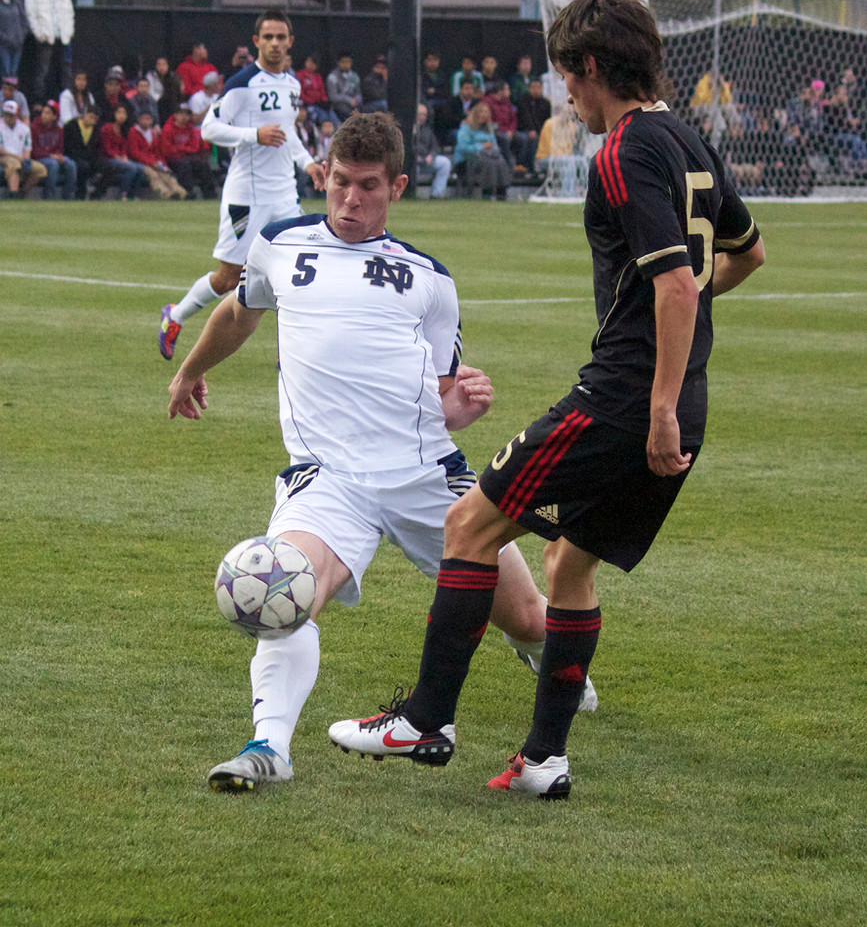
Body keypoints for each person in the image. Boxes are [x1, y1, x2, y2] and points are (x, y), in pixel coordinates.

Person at [329, 0, 766, 801]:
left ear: (592, 68)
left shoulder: (624, 148)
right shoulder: (686, 138)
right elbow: (746, 253)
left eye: (567, 76)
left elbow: (677, 287)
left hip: (625, 399)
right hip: (679, 396)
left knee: (468, 524)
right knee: (568, 567)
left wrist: (656, 398)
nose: (564, 94)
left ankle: (426, 719)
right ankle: (542, 760)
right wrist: (675, 361)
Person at [167, 112, 573, 792]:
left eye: (368, 187)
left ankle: (540, 656)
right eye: (339, 183)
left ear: (398, 187)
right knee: (284, 589)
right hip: (326, 478)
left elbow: (439, 396)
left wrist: (461, 406)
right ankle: (268, 746)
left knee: (531, 617)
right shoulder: (279, 245)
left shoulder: (428, 281)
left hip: (423, 474)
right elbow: (239, 311)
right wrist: (191, 370)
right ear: (322, 175)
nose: (350, 200)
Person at [158, 9, 324, 360]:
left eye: (281, 37)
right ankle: (175, 316)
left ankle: (293, 355)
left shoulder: (292, 84)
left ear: (290, 42)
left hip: (284, 194)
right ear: (257, 41)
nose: (275, 43)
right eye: (269, 37)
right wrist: (254, 135)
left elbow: (288, 132)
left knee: (297, 270)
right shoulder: (242, 84)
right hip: (246, 197)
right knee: (229, 277)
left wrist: (308, 163)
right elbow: (209, 129)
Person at [24, 0, 75, 102]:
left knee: (66, 70)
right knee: (43, 70)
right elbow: (32, 18)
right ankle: (39, 100)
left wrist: (68, 33)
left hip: (63, 38)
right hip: (46, 39)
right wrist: (40, 35)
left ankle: (67, 99)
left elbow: (69, 14)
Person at [453, 101, 510, 200]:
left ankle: (502, 194)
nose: (484, 114)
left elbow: (495, 146)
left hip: (486, 155)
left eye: (486, 112)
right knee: (488, 163)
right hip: (467, 160)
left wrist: (491, 149)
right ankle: (486, 194)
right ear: (475, 114)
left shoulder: (489, 129)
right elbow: (463, 148)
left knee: (501, 161)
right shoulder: (466, 128)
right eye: (481, 112)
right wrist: (481, 146)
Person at [159, 102, 216, 199]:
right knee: (184, 165)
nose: (184, 117)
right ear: (175, 115)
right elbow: (167, 149)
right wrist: (183, 151)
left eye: (187, 114)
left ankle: (209, 192)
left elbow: (194, 147)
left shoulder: (190, 129)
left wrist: (181, 149)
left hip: (187, 156)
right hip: (173, 158)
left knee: (202, 164)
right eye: (181, 114)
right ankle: (188, 192)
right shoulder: (168, 129)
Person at [127, 111, 187, 199]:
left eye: (148, 119)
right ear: (138, 120)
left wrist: (163, 165)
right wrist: (152, 163)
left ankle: (180, 192)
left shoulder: (153, 134)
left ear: (151, 121)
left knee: (166, 174)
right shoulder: (133, 132)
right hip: (142, 163)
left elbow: (158, 153)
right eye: (143, 119)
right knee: (153, 175)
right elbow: (135, 153)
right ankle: (165, 193)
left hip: (155, 162)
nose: (145, 121)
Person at [30, 99, 76, 199]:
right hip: (39, 158)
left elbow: (60, 148)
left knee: (71, 164)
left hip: (53, 156)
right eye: (43, 112)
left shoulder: (59, 129)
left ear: (55, 116)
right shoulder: (34, 127)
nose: (44, 115)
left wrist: (59, 155)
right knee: (53, 164)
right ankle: (49, 196)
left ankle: (67, 197)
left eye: (48, 113)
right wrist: (51, 156)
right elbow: (34, 151)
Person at [97, 103, 146, 199]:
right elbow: (107, 148)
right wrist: (118, 157)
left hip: (120, 158)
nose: (121, 115)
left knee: (140, 167)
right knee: (131, 168)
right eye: (119, 112)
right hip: (109, 158)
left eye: (124, 113)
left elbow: (123, 147)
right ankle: (124, 193)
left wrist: (124, 157)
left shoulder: (124, 129)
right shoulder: (107, 128)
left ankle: (134, 195)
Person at [0, 99, 46, 196]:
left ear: (17, 115)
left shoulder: (24, 129)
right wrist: (16, 156)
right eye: (6, 114)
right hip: (4, 157)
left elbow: (27, 148)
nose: (8, 117)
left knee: (41, 169)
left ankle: (23, 192)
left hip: (20, 158)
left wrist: (25, 158)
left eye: (11, 114)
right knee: (14, 163)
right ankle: (14, 194)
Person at [63, 104, 100, 199]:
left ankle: (97, 194)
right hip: (72, 156)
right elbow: (67, 146)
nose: (92, 120)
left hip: (88, 157)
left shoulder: (96, 130)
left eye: (95, 119)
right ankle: (79, 194)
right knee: (83, 166)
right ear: (85, 115)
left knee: (106, 166)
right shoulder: (71, 126)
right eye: (90, 117)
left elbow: (95, 148)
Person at [414, 102, 451, 198]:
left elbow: (435, 147)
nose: (422, 117)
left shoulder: (428, 129)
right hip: (413, 162)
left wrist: (431, 156)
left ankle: (437, 194)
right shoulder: (407, 129)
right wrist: (413, 156)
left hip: (427, 160)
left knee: (444, 162)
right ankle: (410, 194)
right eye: (419, 114)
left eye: (424, 115)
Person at [515, 77, 551, 172]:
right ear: (529, 88)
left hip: (542, 130)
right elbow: (525, 117)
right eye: (533, 87)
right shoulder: (524, 100)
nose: (536, 89)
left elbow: (547, 120)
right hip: (525, 129)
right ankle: (526, 166)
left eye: (538, 87)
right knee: (530, 139)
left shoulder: (546, 103)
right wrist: (532, 129)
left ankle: (539, 168)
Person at [296, 54, 337, 127]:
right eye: (309, 62)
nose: (311, 65)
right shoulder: (300, 75)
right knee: (322, 117)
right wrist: (312, 101)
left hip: (318, 104)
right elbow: (300, 94)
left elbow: (322, 93)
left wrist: (324, 103)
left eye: (313, 63)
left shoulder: (318, 77)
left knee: (332, 116)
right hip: (307, 105)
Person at [0, 0, 29, 80]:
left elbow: (25, 22)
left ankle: (12, 95)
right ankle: (4, 95)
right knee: (6, 72)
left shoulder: (17, 3)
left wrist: (21, 36)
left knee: (14, 72)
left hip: (18, 44)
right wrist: (6, 39)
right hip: (4, 45)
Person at [326, 52, 362, 123]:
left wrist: (356, 100)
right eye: (343, 62)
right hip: (338, 108)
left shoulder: (354, 76)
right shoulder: (332, 77)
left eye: (348, 62)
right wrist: (348, 100)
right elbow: (333, 97)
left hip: (353, 107)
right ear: (339, 63)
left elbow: (359, 93)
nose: (346, 65)